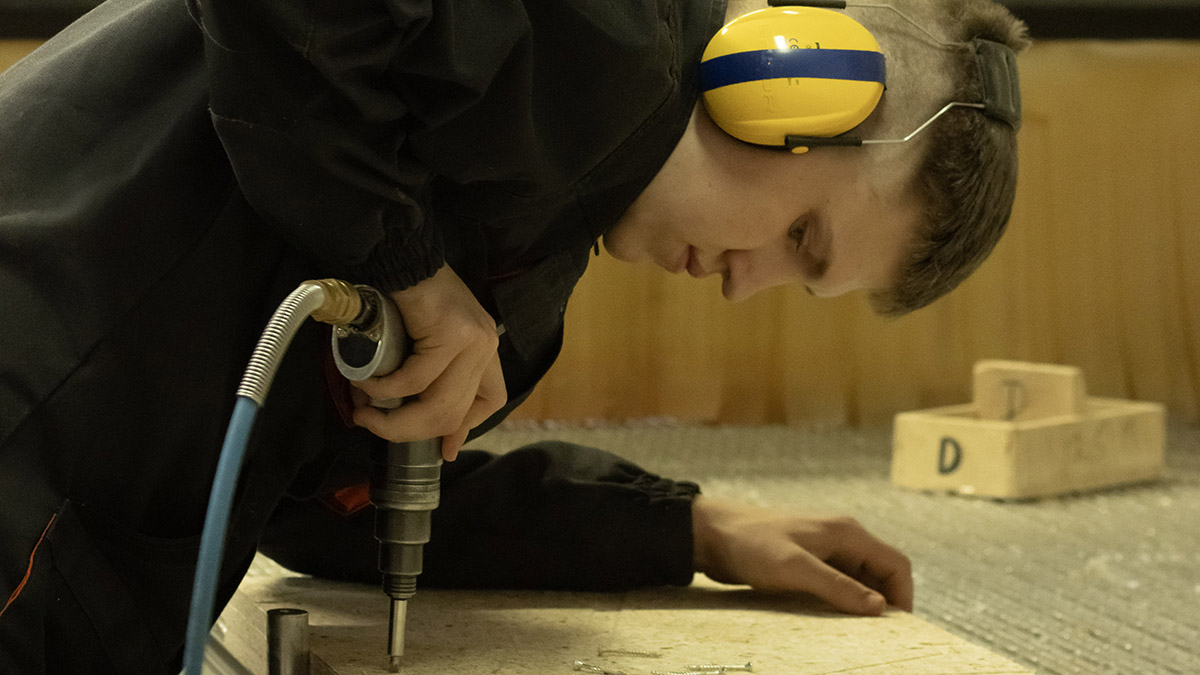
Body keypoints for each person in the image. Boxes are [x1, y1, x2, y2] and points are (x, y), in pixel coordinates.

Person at [0, 0, 1027, 671]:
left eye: (802, 283)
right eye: (801, 235)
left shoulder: (529, 268)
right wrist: (402, 261)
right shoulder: (596, 25)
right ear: (786, 76)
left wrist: (690, 529)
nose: (743, 285)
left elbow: (340, 511)